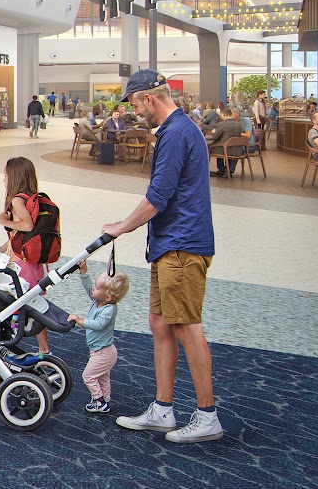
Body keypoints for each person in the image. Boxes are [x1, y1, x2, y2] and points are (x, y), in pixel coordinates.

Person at [102, 70, 222, 443]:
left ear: (149, 99)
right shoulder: (179, 129)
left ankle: (208, 417)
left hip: (182, 246)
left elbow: (159, 195)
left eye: (136, 105)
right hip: (169, 244)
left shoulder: (175, 134)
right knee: (160, 323)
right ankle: (163, 409)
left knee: (186, 326)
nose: (135, 112)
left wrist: (123, 226)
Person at [0, 156, 55, 356]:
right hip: (33, 262)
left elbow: (27, 226)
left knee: (11, 302)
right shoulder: (33, 200)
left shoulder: (16, 200)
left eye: (5, 175)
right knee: (34, 305)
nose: (3, 179)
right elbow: (17, 237)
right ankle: (44, 348)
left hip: (22, 266)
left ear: (13, 177)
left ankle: (10, 339)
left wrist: (3, 221)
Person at [68, 257, 130, 415]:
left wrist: (80, 320)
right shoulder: (98, 301)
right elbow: (88, 287)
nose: (92, 289)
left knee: (88, 376)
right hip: (100, 350)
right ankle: (106, 401)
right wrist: (84, 272)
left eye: (96, 288)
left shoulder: (109, 309)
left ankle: (99, 400)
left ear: (107, 297)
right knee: (102, 378)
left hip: (103, 352)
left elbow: (98, 324)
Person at [205, 107, 245, 178]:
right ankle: (228, 170)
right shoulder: (239, 124)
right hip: (237, 149)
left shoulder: (222, 124)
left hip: (224, 149)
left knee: (213, 146)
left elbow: (215, 137)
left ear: (224, 114)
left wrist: (213, 132)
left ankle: (221, 169)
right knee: (224, 146)